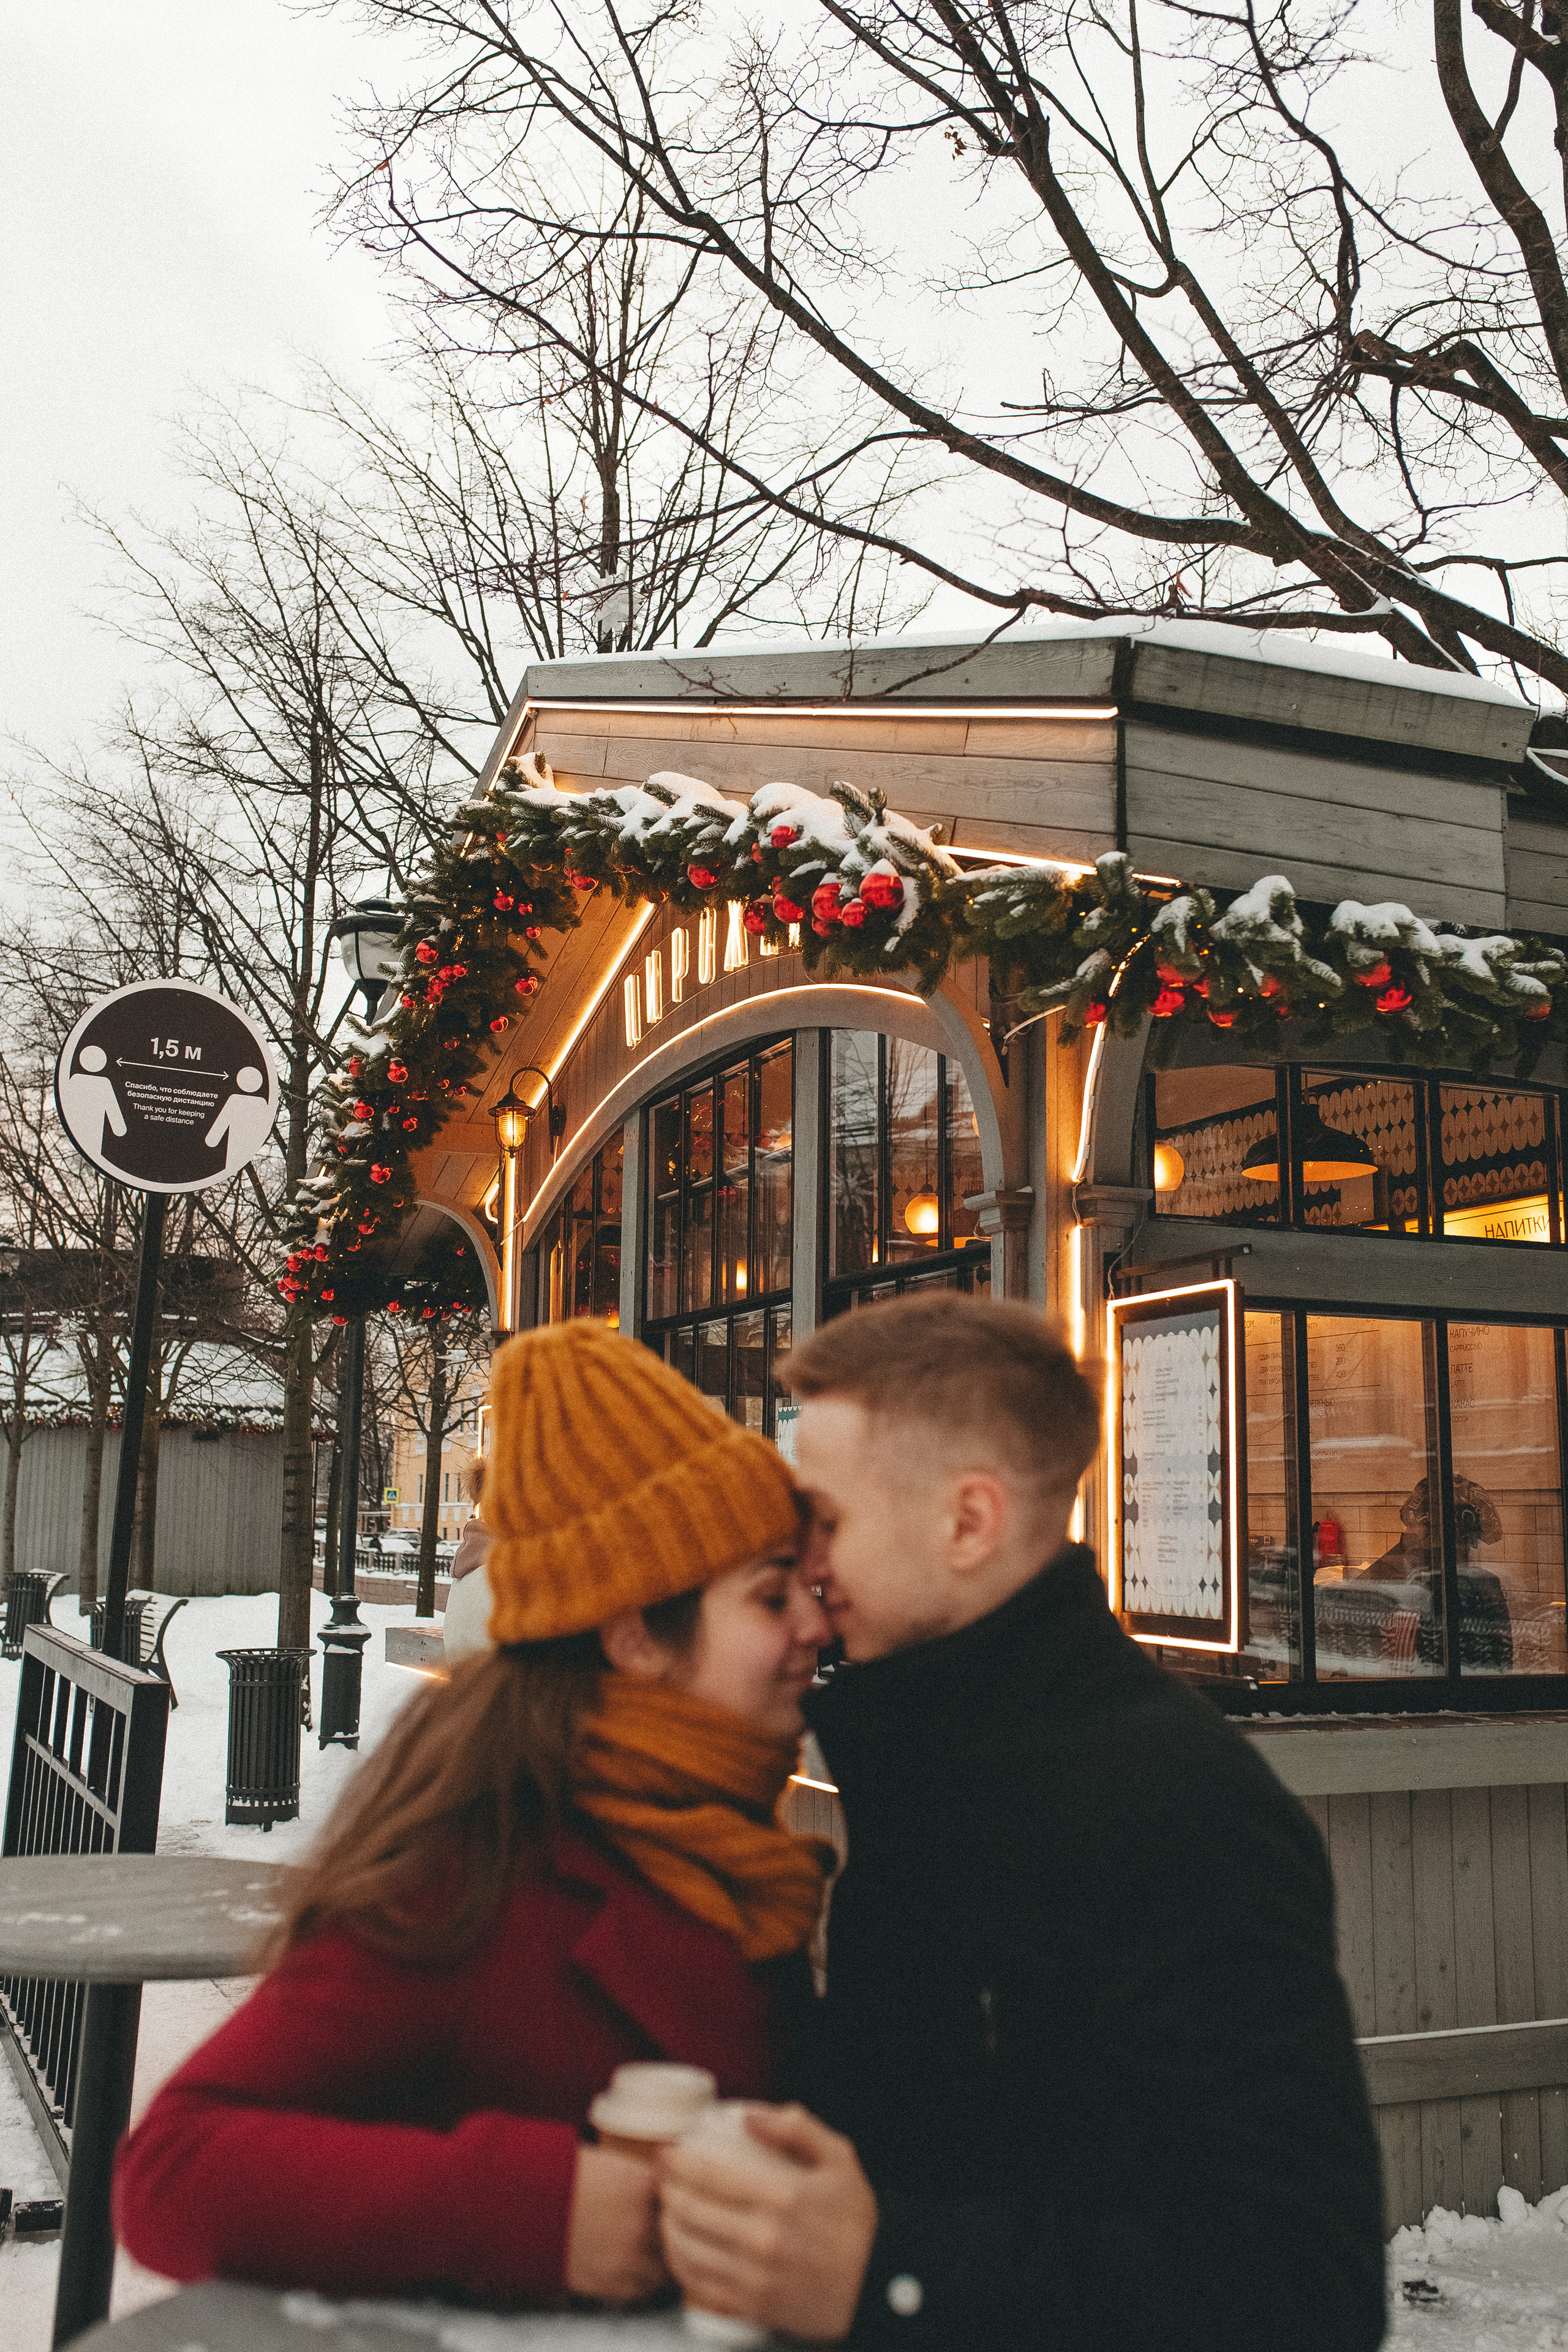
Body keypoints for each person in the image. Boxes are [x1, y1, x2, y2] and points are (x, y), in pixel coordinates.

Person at [657, 1294, 1386, 2352]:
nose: (806, 1561)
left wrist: (890, 2276)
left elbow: (1302, 2293)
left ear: (967, 1522)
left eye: (826, 1518)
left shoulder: (1179, 1808)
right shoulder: (925, 1757)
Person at [113, 1321, 832, 2306]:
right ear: (634, 1636)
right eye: (770, 1595)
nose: (815, 1626)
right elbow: (173, 2171)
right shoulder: (479, 1867)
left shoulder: (722, 1833)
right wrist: (543, 2210)